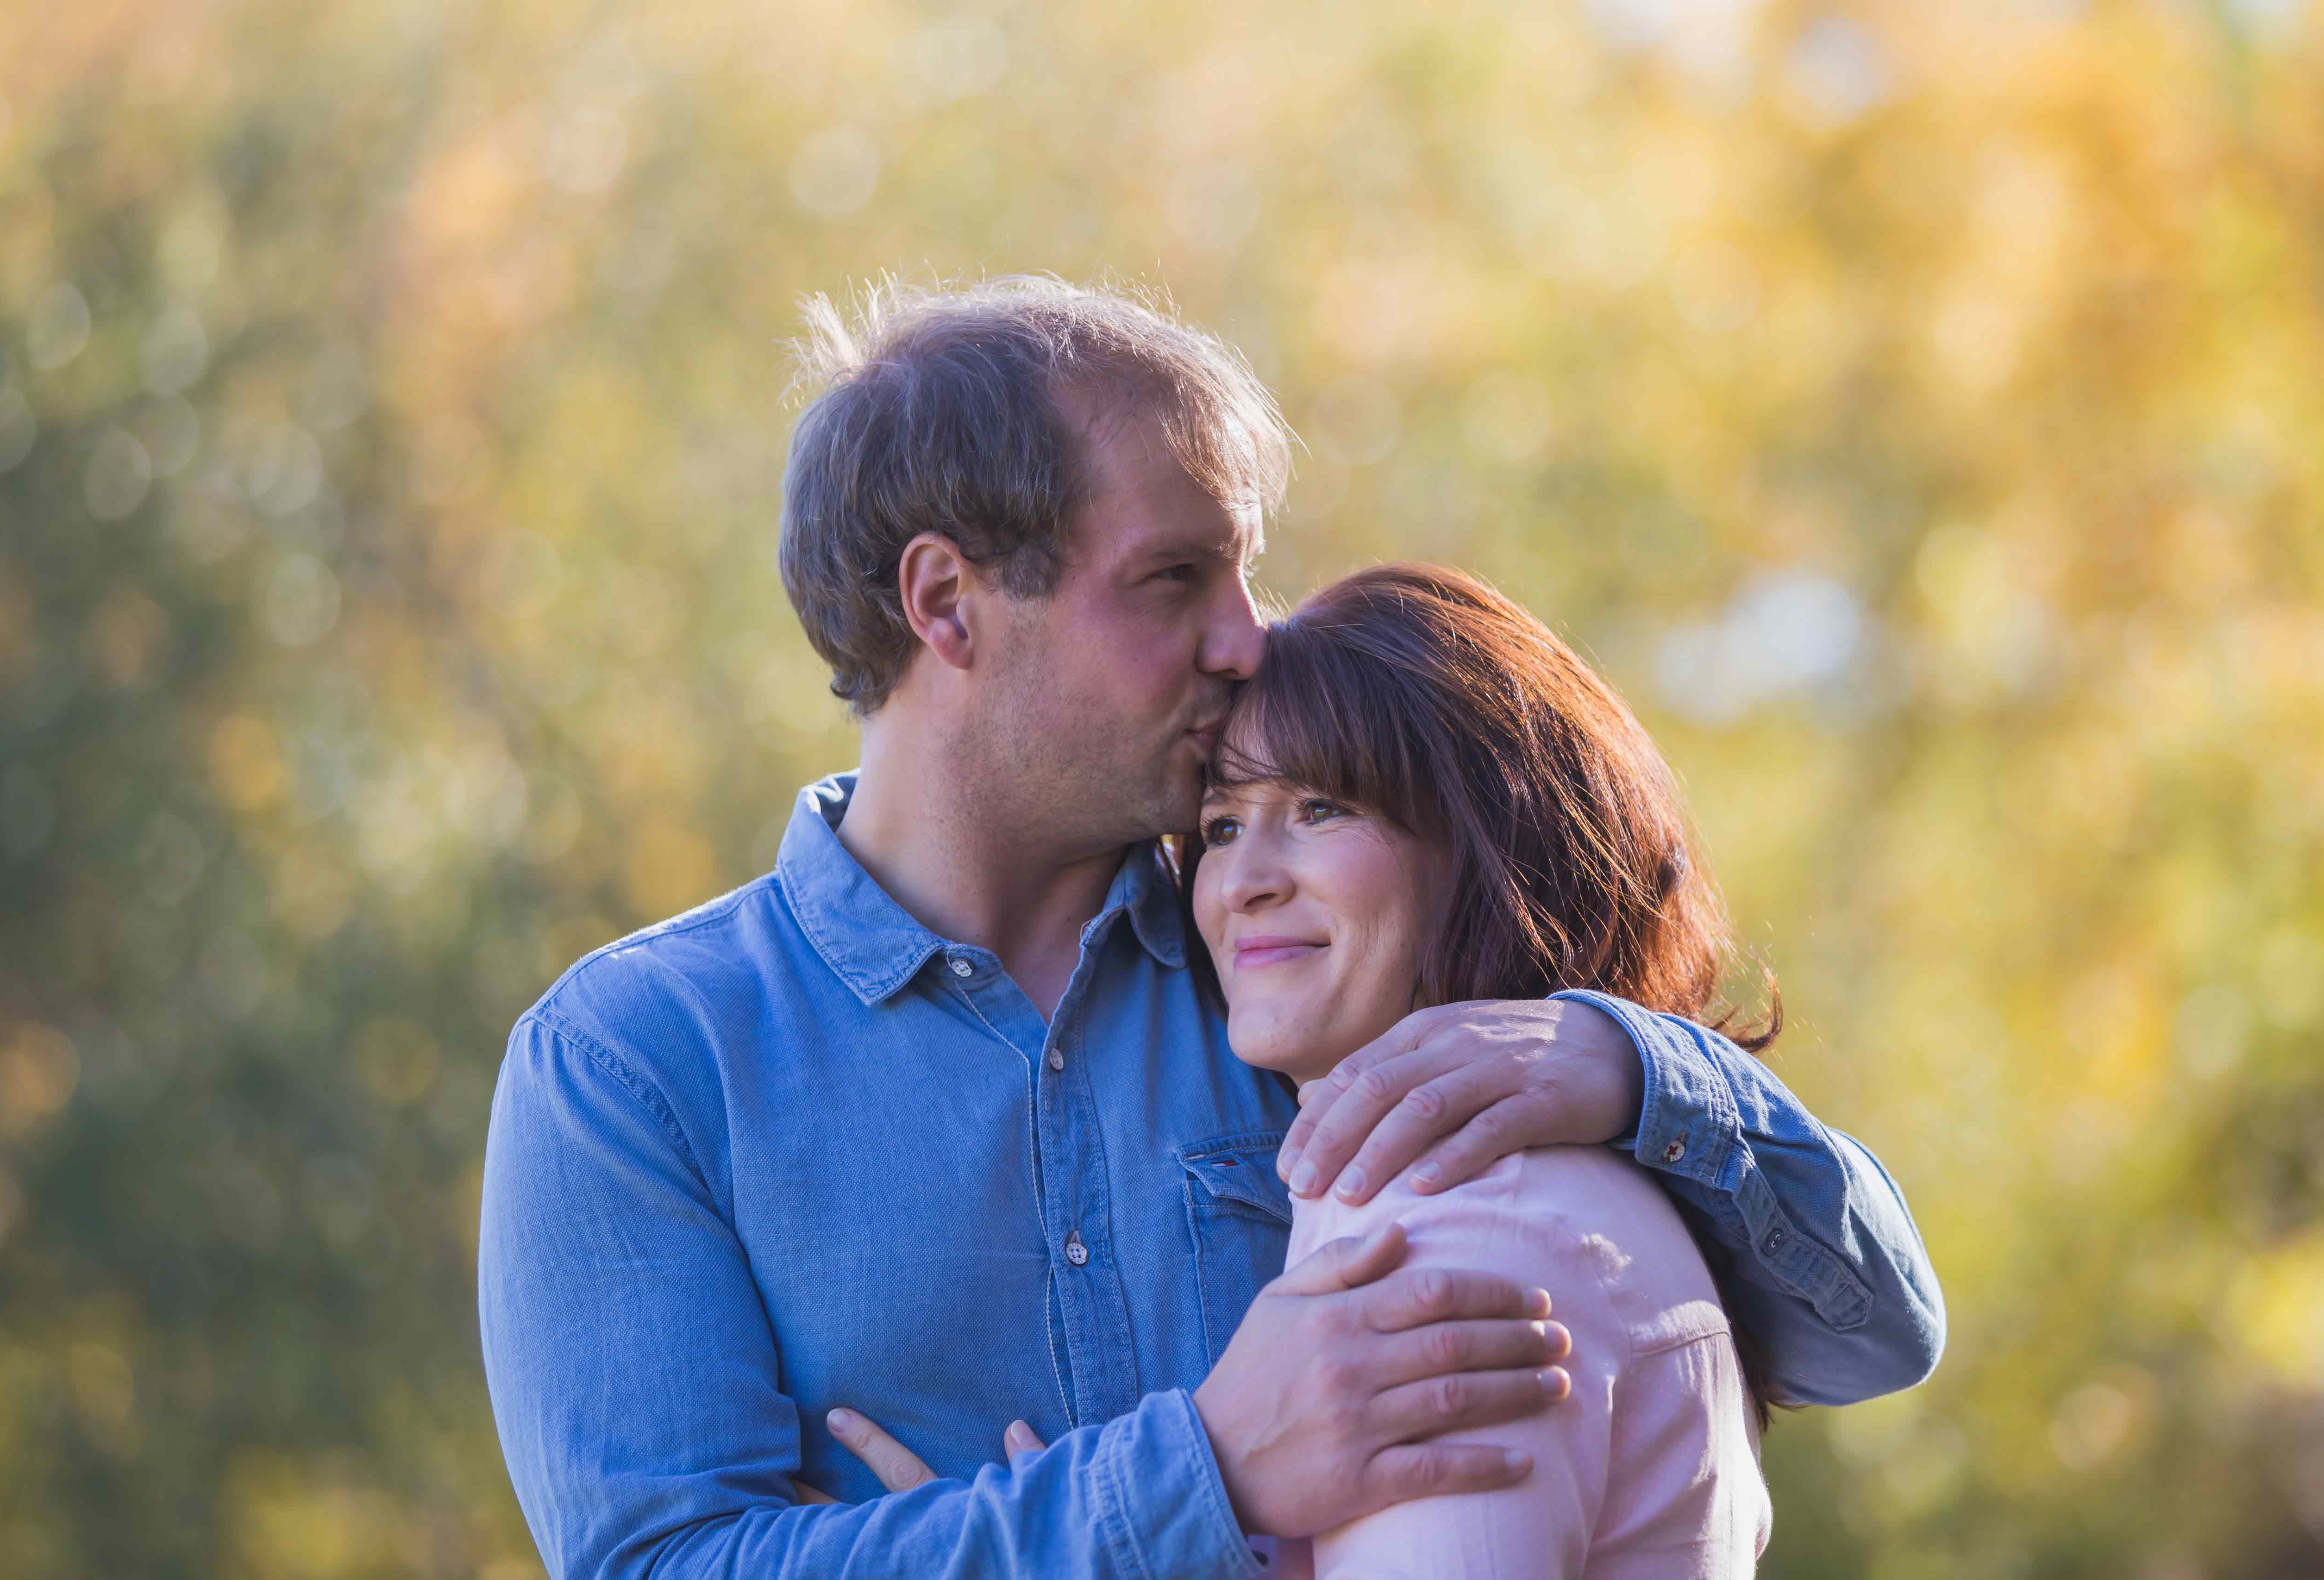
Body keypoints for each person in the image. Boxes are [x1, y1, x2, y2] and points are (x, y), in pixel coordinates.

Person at [476, 277, 1944, 1580]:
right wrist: (1207, 1471)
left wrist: (1634, 1076)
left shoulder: (1308, 971)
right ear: (948, 604)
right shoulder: (635, 1068)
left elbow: (1871, 1330)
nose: (1249, 636)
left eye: (1243, 571)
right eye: (1175, 579)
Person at [1196, 563, 1781, 1576]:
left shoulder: (1455, 1228)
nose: (1244, 880)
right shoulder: (1497, 1187)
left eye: (1322, 808)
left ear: (1488, 845)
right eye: (1220, 826)